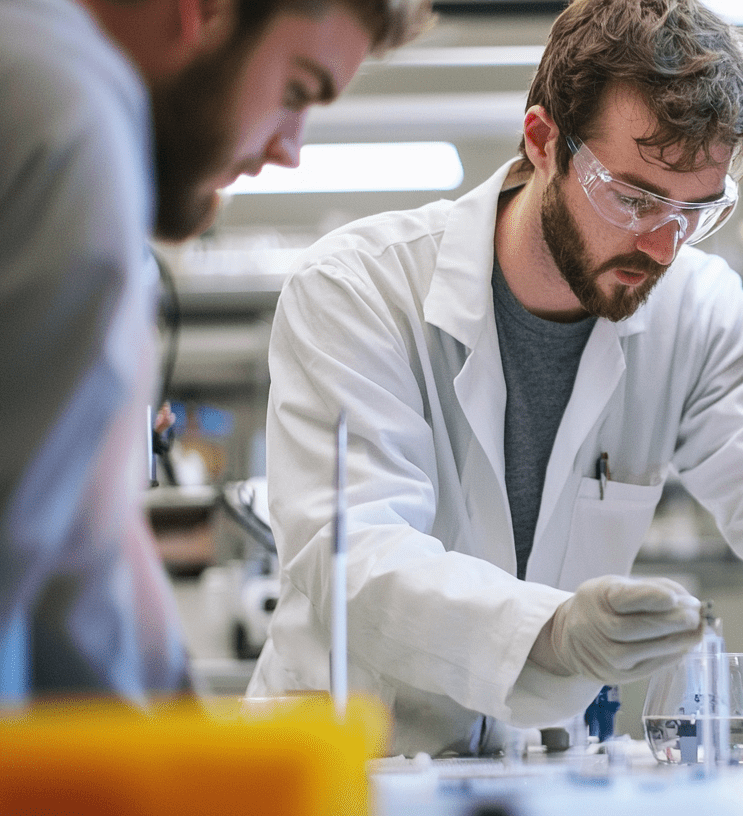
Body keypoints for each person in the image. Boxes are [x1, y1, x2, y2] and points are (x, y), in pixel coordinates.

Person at [248, 0, 743, 756]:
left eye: (697, 211)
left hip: (531, 766)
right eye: (631, 197)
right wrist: (547, 635)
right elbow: (354, 554)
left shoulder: (695, 310)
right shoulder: (359, 290)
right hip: (346, 763)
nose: (662, 244)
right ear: (543, 141)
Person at [0, 0, 432, 703]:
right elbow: (50, 567)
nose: (288, 148)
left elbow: (84, 517)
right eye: (296, 90)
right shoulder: (73, 118)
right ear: (202, 11)